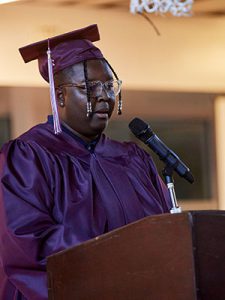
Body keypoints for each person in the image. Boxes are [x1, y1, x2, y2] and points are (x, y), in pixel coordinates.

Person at [0, 24, 172, 300]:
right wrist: (114, 270)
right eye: (90, 87)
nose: (104, 95)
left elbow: (164, 232)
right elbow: (29, 244)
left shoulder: (132, 158)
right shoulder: (29, 157)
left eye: (109, 85)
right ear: (60, 96)